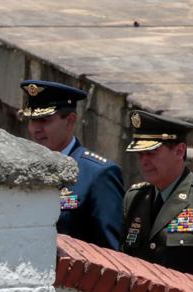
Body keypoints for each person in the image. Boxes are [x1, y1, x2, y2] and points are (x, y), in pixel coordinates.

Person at [19, 80, 123, 250]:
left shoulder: (97, 174)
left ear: (70, 120)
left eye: (44, 120)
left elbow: (112, 250)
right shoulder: (23, 167)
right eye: (32, 120)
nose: (35, 129)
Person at [121, 110, 193, 277]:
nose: (144, 161)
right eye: (140, 154)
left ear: (179, 151)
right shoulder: (134, 198)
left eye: (151, 153)